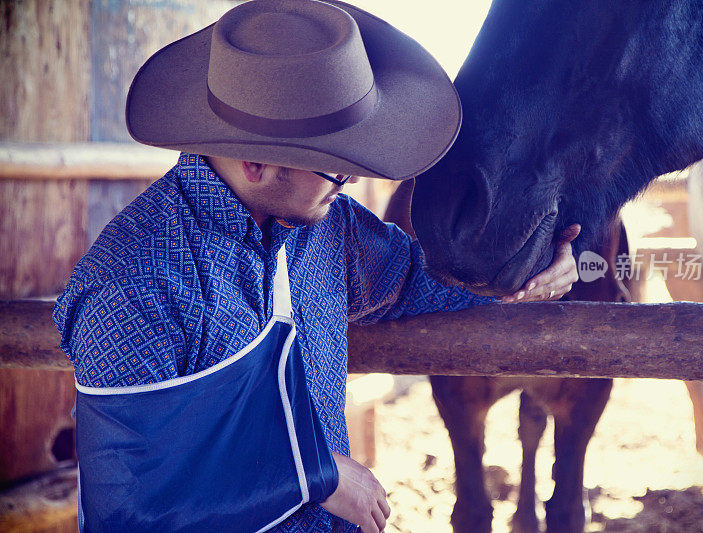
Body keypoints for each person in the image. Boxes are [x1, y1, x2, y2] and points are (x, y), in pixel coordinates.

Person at [53, 1, 580, 532]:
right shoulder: (132, 283)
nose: (350, 180)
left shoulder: (331, 230)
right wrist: (313, 476)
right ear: (254, 164)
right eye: (335, 164)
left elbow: (426, 278)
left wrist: (531, 273)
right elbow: (129, 507)